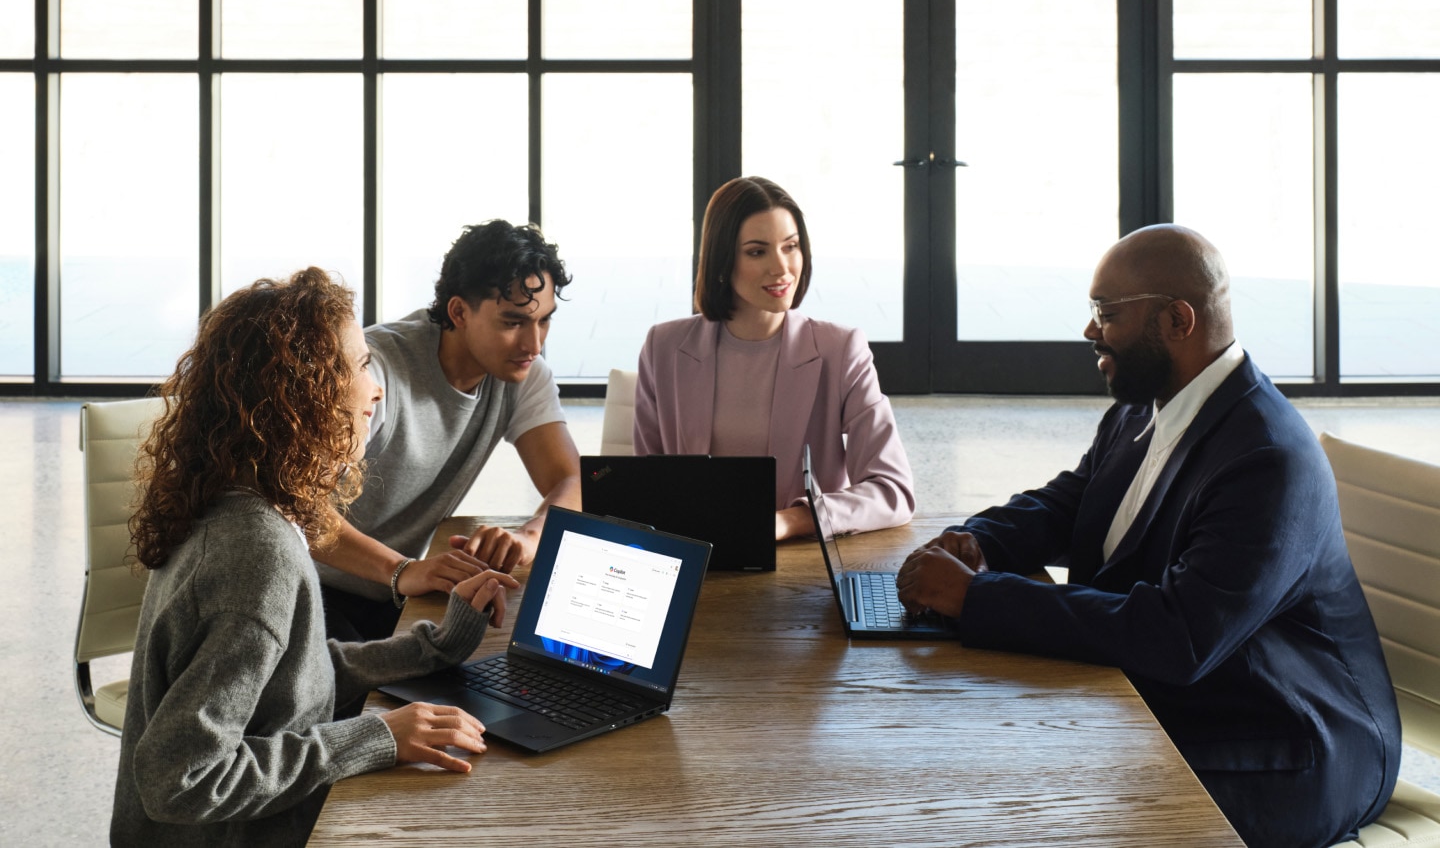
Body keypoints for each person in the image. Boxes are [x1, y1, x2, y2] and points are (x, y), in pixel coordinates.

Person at [895, 225, 1400, 848]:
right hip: (1183, 701)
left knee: (1025, 792)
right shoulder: (1146, 406)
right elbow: (1066, 504)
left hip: (1285, 743)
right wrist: (978, 542)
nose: (1089, 331)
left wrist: (977, 598)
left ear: (1177, 321)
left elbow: (1179, 636)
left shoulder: (1267, 459)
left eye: (1106, 314)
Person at [112, 268, 519, 847]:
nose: (375, 389)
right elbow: (179, 780)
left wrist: (435, 648)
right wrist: (375, 737)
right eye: (358, 365)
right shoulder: (258, 554)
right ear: (301, 391)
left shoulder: (234, 498)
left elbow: (292, 682)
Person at [313, 220, 582, 644]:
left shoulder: (523, 375)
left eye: (544, 321)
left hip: (390, 595)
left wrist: (528, 537)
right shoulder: (376, 371)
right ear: (459, 312)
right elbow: (295, 504)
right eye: (513, 322)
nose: (534, 343)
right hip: (308, 590)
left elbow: (570, 481)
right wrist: (403, 569)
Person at [635, 176, 914, 539]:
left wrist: (789, 521)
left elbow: (893, 491)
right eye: (757, 251)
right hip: (694, 556)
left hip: (801, 557)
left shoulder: (841, 350)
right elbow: (642, 485)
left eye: (791, 246)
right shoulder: (664, 347)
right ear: (722, 260)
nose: (782, 268)